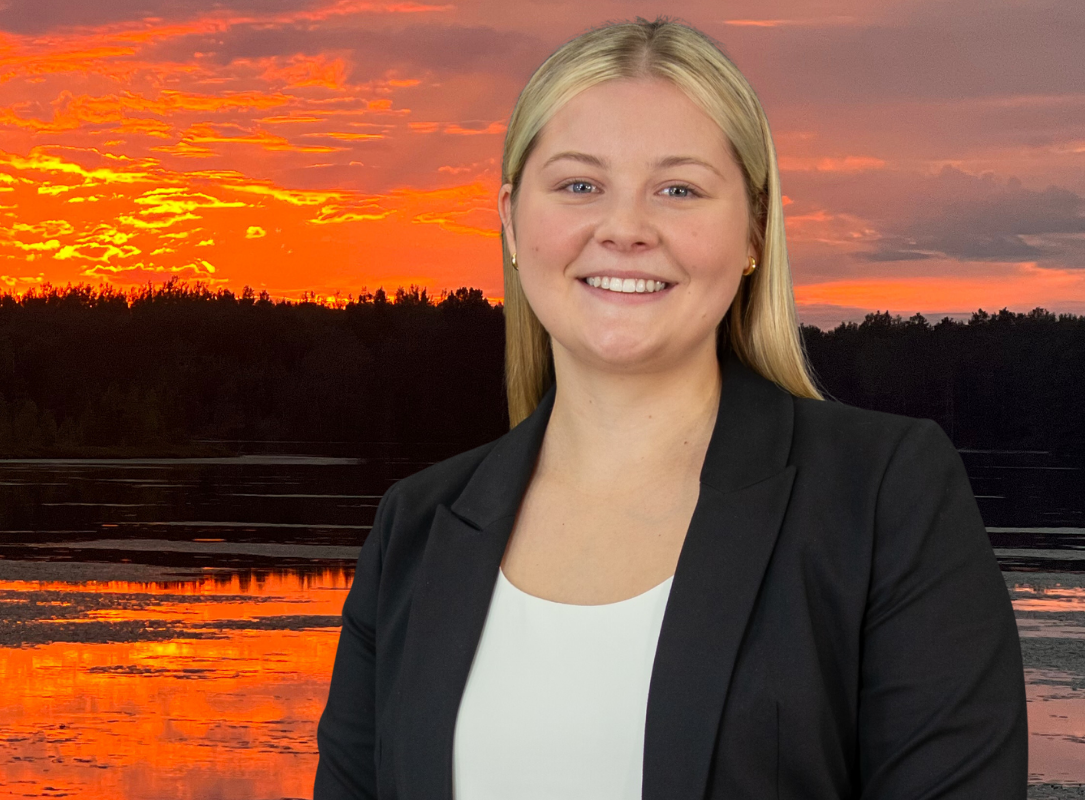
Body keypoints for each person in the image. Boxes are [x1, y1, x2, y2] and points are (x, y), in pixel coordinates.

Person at [311, 15, 1027, 800]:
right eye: (580, 185)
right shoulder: (415, 528)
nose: (625, 230)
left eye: (678, 189)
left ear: (755, 228)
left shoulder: (885, 495)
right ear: (512, 219)